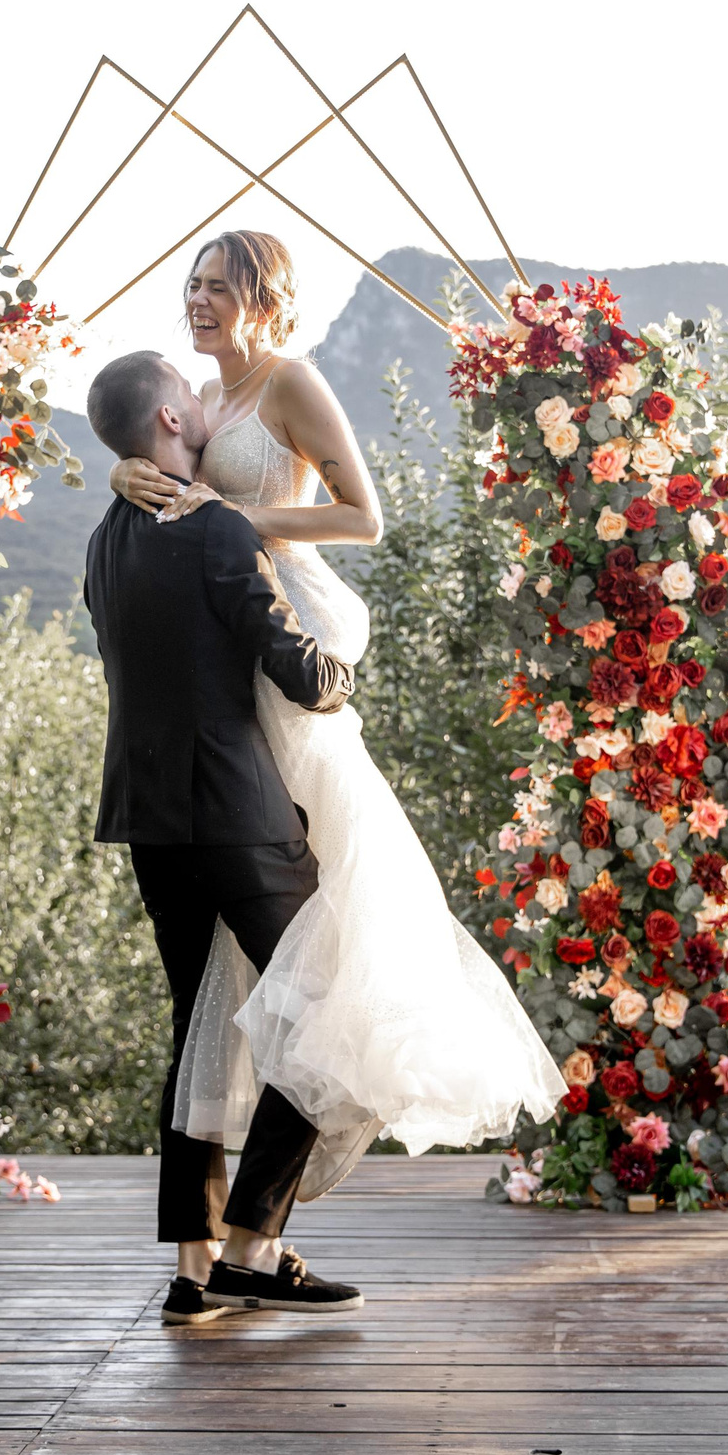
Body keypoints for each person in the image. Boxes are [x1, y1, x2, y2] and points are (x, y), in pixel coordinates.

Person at [107, 232, 566, 1215]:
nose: (198, 301)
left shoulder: (289, 384)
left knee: (322, 928)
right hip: (227, 647)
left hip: (286, 627)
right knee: (219, 984)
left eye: (218, 287)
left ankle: (251, 1225)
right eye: (190, 284)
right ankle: (228, 1241)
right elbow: (163, 464)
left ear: (263, 298)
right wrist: (127, 478)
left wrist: (230, 517)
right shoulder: (199, 392)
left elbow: (365, 518)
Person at [81, 347, 366, 1323]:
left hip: (149, 823)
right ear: (167, 423)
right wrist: (340, 673)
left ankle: (193, 1275)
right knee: (321, 1005)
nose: (202, 402)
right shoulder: (216, 534)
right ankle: (254, 1243)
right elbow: (295, 672)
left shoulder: (103, 540)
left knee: (199, 1030)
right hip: (238, 819)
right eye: (185, 393)